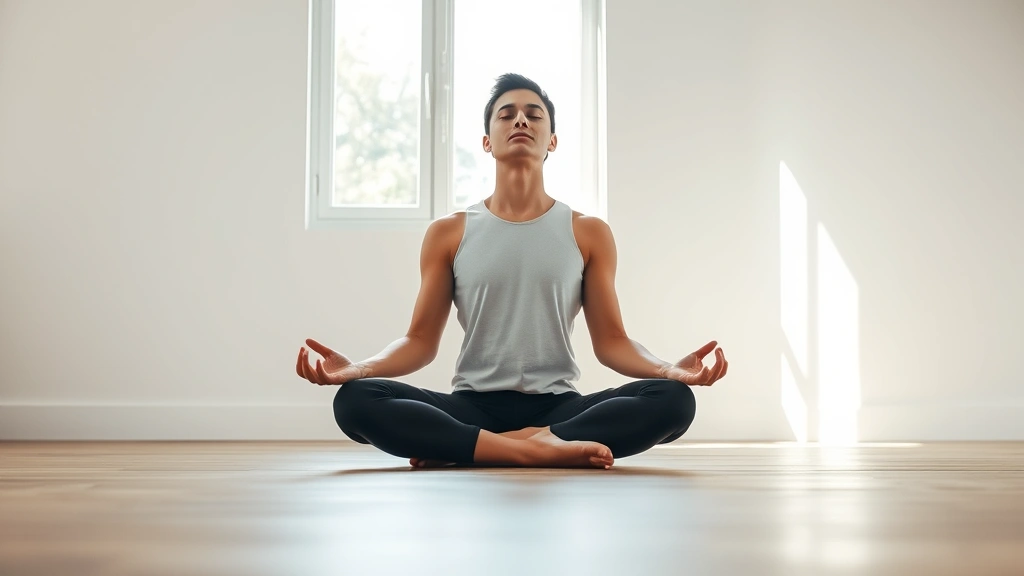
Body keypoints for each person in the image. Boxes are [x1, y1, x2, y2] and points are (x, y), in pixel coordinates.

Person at [296, 73, 728, 469]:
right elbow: (419, 341)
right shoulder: (449, 232)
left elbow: (612, 342)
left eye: (533, 114)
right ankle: (534, 448)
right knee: (355, 401)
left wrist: (667, 370)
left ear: (551, 141)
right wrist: (361, 369)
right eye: (507, 114)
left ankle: (474, 447)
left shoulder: (588, 232)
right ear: (488, 141)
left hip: (559, 408)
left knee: (674, 401)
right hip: (472, 405)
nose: (520, 120)